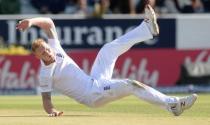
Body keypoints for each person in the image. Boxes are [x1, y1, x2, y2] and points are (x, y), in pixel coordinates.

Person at [16, 5, 197, 117]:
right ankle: (172, 104)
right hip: (92, 95)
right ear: (38, 57)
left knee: (107, 50)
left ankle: (147, 30)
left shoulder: (55, 48)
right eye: (44, 53)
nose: (48, 53)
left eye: (47, 49)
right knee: (131, 84)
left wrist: (31, 21)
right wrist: (52, 111)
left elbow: (48, 22)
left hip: (95, 81)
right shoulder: (45, 74)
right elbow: (46, 101)